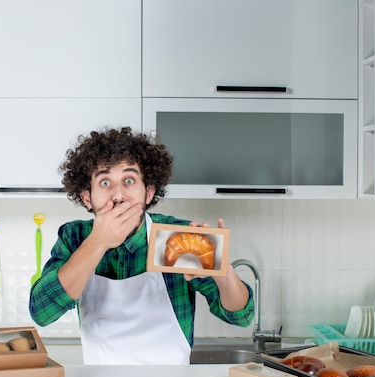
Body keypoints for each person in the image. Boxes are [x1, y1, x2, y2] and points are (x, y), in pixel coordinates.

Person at [29, 127, 254, 364]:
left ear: (148, 193)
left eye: (129, 180)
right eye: (105, 182)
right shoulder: (74, 237)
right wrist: (98, 242)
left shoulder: (176, 237)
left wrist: (225, 274)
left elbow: (241, 316)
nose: (118, 195)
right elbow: (42, 313)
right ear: (87, 197)